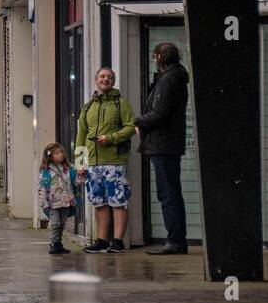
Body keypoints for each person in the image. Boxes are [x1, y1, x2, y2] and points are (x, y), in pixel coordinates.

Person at [75, 66, 137, 254]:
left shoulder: (121, 103)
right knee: (99, 202)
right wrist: (80, 163)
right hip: (93, 163)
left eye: (109, 77)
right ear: (96, 80)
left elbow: (130, 127)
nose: (105, 79)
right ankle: (102, 240)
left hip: (114, 162)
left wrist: (111, 138)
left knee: (118, 201)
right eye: (102, 76)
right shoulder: (88, 107)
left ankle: (117, 241)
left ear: (113, 81)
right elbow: (81, 135)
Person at [136, 42, 190, 255]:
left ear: (158, 57)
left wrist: (137, 121)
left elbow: (160, 113)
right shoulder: (175, 78)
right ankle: (176, 239)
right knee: (170, 193)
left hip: (163, 144)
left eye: (154, 56)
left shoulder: (168, 80)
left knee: (168, 194)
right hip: (167, 143)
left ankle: (175, 241)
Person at [38, 143, 77, 255]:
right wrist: (44, 203)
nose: (61, 155)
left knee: (62, 223)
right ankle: (54, 243)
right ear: (50, 156)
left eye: (62, 152)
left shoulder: (68, 169)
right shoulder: (46, 172)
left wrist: (82, 174)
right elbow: (42, 188)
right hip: (53, 203)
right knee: (55, 224)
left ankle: (58, 243)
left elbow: (76, 181)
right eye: (57, 153)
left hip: (66, 201)